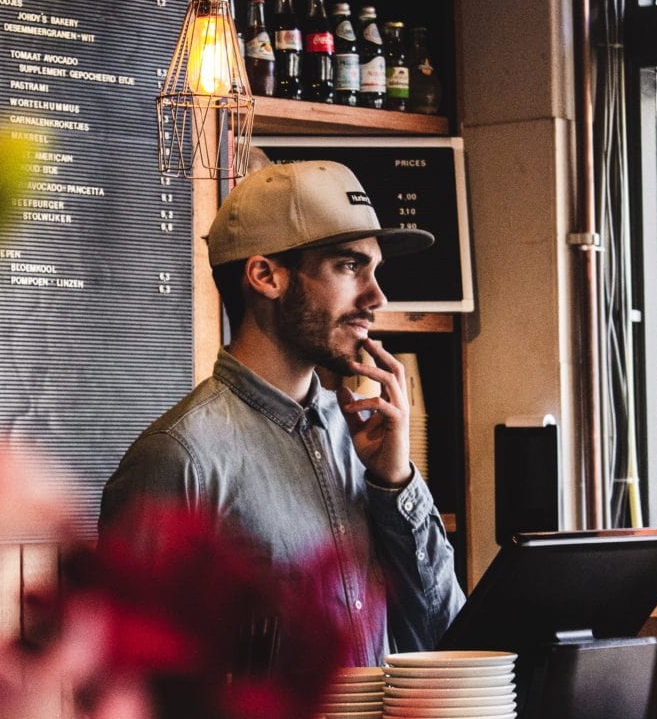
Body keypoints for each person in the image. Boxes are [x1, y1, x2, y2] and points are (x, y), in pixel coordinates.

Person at [100, 160, 465, 666]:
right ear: (265, 275)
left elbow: (443, 638)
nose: (377, 296)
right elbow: (136, 683)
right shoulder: (178, 459)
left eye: (375, 270)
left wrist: (395, 482)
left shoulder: (368, 443)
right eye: (349, 266)